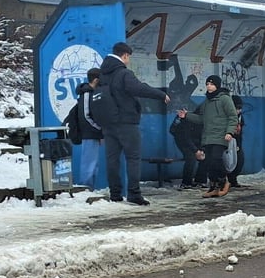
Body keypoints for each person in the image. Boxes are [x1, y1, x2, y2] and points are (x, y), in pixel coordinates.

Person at [101, 42, 170, 205]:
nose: (128, 61)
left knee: (112, 159)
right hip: (126, 122)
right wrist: (160, 95)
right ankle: (134, 193)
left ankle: (115, 194)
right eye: (128, 58)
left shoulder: (103, 74)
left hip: (109, 124)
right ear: (124, 55)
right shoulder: (123, 74)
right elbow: (138, 88)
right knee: (133, 158)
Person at [178, 75, 236, 198]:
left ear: (217, 85)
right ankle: (213, 187)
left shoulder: (225, 99)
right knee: (209, 162)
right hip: (207, 137)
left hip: (220, 136)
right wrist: (187, 116)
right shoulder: (206, 102)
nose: (209, 86)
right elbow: (201, 119)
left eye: (211, 84)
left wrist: (229, 132)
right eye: (207, 84)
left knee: (216, 158)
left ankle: (224, 181)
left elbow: (232, 116)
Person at [74, 68, 104, 190]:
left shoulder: (92, 93)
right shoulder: (87, 93)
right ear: (96, 80)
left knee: (93, 163)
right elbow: (86, 115)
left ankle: (90, 187)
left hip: (93, 133)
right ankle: (85, 188)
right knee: (89, 163)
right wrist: (99, 129)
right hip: (89, 132)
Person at [169, 104, 206, 189]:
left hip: (196, 141)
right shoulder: (188, 120)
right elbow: (186, 137)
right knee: (191, 157)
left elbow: (204, 136)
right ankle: (186, 182)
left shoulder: (206, 121)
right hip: (182, 141)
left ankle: (200, 180)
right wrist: (196, 150)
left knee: (205, 156)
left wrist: (202, 150)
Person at [226, 95, 245, 189]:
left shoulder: (240, 117)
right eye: (237, 108)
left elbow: (240, 134)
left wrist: (238, 146)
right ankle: (224, 180)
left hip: (236, 141)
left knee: (240, 160)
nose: (239, 110)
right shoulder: (226, 116)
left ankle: (232, 179)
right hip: (226, 140)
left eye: (240, 108)